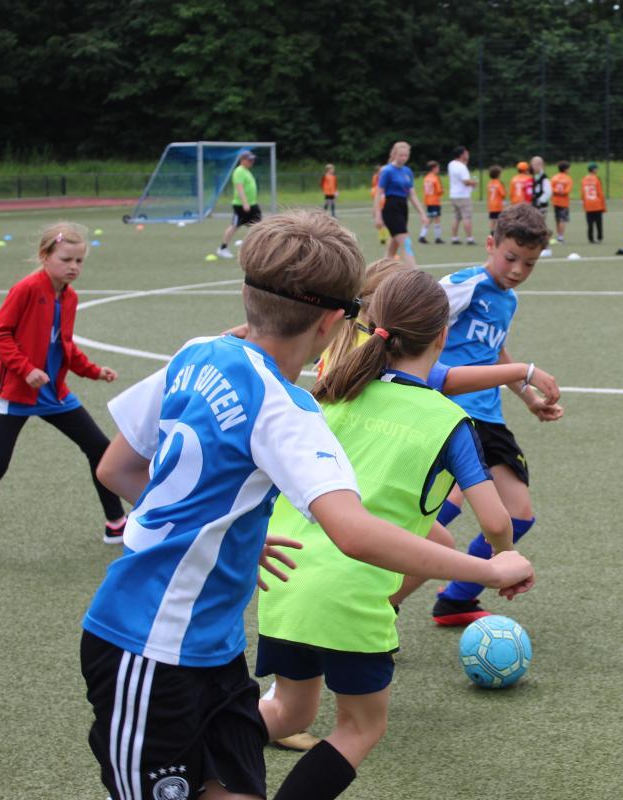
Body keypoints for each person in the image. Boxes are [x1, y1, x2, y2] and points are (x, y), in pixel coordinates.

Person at [79, 211, 534, 800]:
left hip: (212, 650)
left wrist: (217, 530)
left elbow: (117, 468)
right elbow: (355, 533)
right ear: (330, 322)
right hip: (151, 644)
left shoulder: (198, 352)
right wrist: (489, 569)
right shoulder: (287, 408)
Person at [255, 269, 529, 799]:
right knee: (361, 727)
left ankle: (178, 765)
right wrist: (504, 559)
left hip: (284, 583)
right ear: (442, 336)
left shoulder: (329, 395)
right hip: (351, 598)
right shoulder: (449, 422)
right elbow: (496, 521)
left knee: (288, 710)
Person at [0, 222, 125, 566]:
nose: (73, 267)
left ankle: (115, 523)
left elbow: (65, 346)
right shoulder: (27, 289)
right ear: (45, 256)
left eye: (79, 261)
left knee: (100, 450)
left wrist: (93, 371)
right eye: (66, 259)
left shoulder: (69, 297)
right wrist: (26, 369)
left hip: (54, 395)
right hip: (16, 395)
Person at [432, 204, 564, 625]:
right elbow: (413, 319)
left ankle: (456, 599)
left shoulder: (508, 299)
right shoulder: (465, 286)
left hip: (490, 419)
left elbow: (497, 353)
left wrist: (529, 399)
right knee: (438, 514)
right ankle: (379, 595)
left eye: (530, 263)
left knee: (518, 515)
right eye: (511, 257)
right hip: (451, 413)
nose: (518, 270)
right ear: (491, 244)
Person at [374, 141, 428, 266]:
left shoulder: (407, 171)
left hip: (403, 207)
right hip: (391, 208)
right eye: (401, 155)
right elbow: (378, 193)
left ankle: (381, 270)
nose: (403, 158)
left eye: (406, 155)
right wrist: (377, 215)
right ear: (394, 155)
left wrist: (422, 213)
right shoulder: (387, 171)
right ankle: (415, 273)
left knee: (393, 246)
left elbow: (412, 195)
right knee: (406, 242)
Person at [217, 149, 262, 259]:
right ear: (242, 160)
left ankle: (256, 248)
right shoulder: (239, 171)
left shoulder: (246, 171)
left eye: (252, 160)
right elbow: (239, 188)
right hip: (242, 205)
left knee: (258, 226)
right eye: (249, 160)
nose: (251, 162)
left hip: (252, 205)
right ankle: (222, 248)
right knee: (235, 226)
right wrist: (245, 203)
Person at [447, 145, 478, 245]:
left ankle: (454, 237)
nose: (468, 154)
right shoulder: (462, 167)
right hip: (463, 195)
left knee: (456, 217)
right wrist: (474, 182)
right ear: (462, 154)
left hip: (453, 195)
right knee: (466, 217)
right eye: (466, 153)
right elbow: (466, 181)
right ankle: (470, 238)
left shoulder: (451, 164)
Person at [418, 160, 444, 244]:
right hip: (434, 201)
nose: (438, 169)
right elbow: (439, 191)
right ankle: (424, 236)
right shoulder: (435, 178)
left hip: (428, 200)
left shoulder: (426, 178)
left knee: (434, 218)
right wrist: (442, 190)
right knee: (433, 219)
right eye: (437, 168)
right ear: (433, 168)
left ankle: (436, 237)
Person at [582, 162, 606, 244]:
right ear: (593, 170)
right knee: (598, 222)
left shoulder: (584, 179)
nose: (597, 170)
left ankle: (590, 238)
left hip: (588, 204)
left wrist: (584, 203)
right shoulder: (597, 179)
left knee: (590, 223)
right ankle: (599, 237)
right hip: (597, 204)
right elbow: (600, 193)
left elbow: (583, 193)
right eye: (596, 168)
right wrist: (603, 206)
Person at [550, 161, 573, 243]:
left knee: (557, 219)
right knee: (562, 219)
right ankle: (560, 237)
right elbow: (567, 191)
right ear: (565, 169)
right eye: (569, 169)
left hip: (556, 201)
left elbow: (551, 188)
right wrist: (562, 192)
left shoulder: (554, 177)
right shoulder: (568, 178)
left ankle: (558, 235)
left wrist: (556, 191)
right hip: (564, 202)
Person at [371, 165, 388, 245]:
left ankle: (384, 237)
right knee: (381, 223)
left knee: (385, 223)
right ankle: (383, 238)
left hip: (385, 205)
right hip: (380, 205)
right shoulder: (376, 182)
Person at [486, 165, 506, 234]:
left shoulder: (489, 183)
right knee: (498, 220)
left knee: (492, 219)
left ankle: (491, 232)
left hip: (491, 205)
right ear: (498, 174)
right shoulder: (499, 183)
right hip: (498, 205)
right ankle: (497, 233)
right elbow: (503, 194)